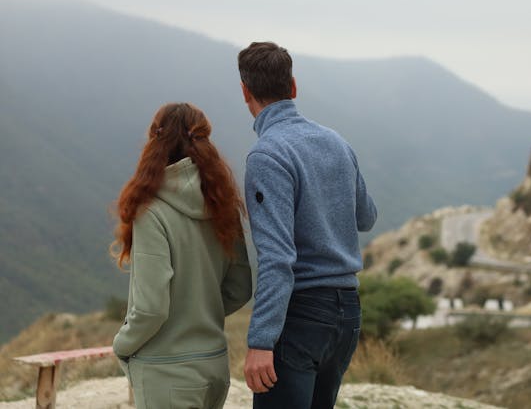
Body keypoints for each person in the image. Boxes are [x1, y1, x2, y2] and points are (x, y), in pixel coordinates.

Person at [238, 41, 377, 408]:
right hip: (347, 314)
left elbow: (277, 256)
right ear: (293, 87)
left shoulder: (267, 155)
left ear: (245, 92)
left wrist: (261, 341)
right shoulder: (337, 143)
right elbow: (367, 217)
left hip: (301, 316)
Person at [111, 102, 253, 409]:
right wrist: (197, 313)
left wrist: (121, 346)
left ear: (155, 141)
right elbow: (240, 287)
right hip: (214, 366)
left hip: (167, 371)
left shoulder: (150, 211)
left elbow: (151, 309)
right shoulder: (223, 204)